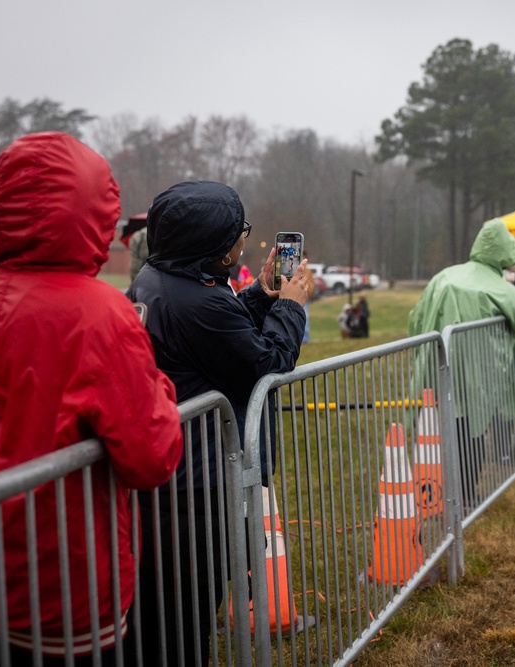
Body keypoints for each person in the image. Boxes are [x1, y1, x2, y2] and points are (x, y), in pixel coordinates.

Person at [0, 132, 183, 666]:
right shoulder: (101, 314)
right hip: (69, 589)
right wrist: (154, 378)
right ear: (93, 213)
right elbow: (152, 455)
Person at [126, 180, 310, 667]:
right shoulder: (199, 300)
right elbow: (265, 360)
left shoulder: (162, 277)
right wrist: (291, 306)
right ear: (212, 241)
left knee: (161, 609)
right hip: (199, 480)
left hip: (174, 472)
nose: (244, 240)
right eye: (238, 231)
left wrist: (259, 295)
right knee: (186, 612)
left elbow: (215, 337)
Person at [408, 218, 515, 506]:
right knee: (475, 431)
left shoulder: (443, 277)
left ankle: (438, 490)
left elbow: (415, 319)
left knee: (444, 429)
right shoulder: (501, 288)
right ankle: (465, 494)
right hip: (482, 374)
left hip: (439, 368)